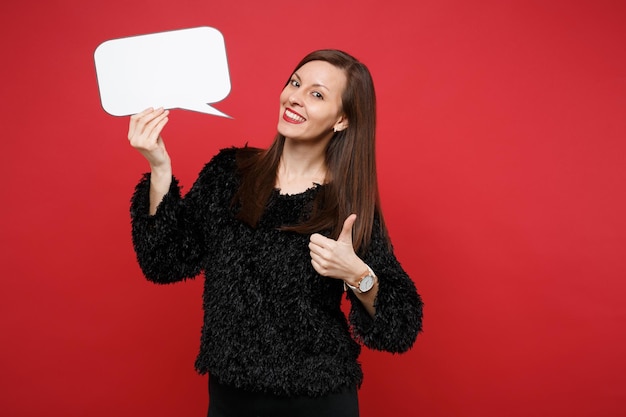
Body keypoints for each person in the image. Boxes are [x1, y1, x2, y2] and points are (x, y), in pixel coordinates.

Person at [128, 49, 423, 417]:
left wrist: (357, 275)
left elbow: (400, 327)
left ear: (343, 119)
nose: (295, 97)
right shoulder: (229, 173)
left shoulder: (346, 207)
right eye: (295, 83)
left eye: (316, 94)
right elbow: (164, 261)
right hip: (230, 397)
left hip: (317, 400)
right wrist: (158, 167)